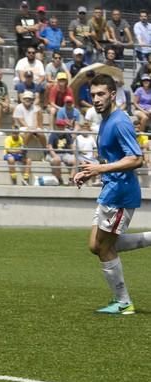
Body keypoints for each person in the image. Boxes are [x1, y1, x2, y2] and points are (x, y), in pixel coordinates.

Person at [73, 74, 145, 315]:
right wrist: (89, 172)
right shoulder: (105, 121)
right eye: (92, 95)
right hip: (110, 190)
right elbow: (111, 158)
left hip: (120, 194)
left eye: (101, 94)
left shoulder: (120, 121)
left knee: (104, 247)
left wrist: (100, 169)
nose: (96, 99)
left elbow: (136, 158)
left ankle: (124, 302)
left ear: (113, 94)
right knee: (96, 245)